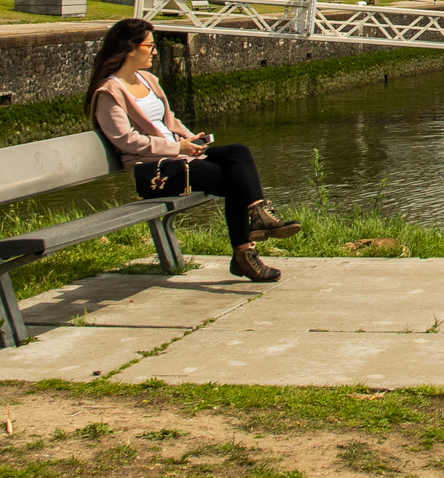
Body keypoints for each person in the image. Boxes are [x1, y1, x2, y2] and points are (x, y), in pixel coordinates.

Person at [85, 17, 302, 282]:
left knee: (238, 153)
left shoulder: (147, 79)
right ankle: (246, 250)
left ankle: (257, 215)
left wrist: (191, 139)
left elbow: (169, 119)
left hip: (178, 155)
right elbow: (127, 141)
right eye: (150, 45)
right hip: (154, 170)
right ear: (131, 48)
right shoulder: (109, 93)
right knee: (234, 180)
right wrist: (178, 146)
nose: (155, 51)